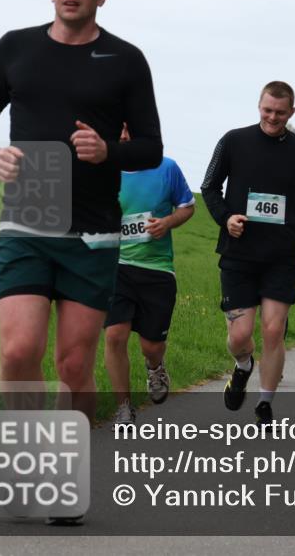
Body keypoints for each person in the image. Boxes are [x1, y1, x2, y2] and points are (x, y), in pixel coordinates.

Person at [0, 0, 162, 525]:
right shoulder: (15, 47)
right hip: (26, 220)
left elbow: (149, 144)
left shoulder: (126, 60)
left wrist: (111, 151)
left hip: (93, 234)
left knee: (74, 366)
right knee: (18, 350)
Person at [201, 81, 295, 427]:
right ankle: (243, 366)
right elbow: (209, 187)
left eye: (280, 112)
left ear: (291, 112)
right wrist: (226, 217)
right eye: (267, 110)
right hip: (239, 254)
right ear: (259, 106)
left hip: (283, 255)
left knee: (273, 331)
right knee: (240, 336)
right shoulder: (233, 141)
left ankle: (264, 404)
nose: (272, 117)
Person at [105, 125, 195, 427]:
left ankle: (155, 367)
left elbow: (187, 206)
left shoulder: (166, 168)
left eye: (131, 130)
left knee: (151, 346)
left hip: (157, 269)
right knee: (114, 335)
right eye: (119, 131)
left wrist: (167, 222)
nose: (125, 137)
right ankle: (124, 408)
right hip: (116, 266)